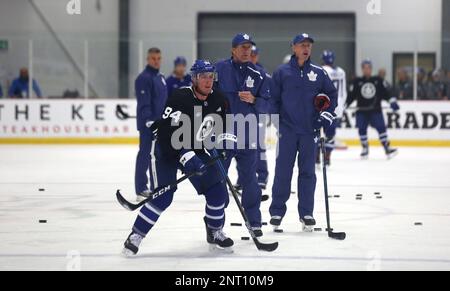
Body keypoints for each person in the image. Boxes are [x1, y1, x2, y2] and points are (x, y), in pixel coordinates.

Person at [123, 60, 233, 256]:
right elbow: (166, 134)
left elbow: (224, 126)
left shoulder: (219, 99)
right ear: (194, 79)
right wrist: (186, 156)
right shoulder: (180, 97)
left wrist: (224, 144)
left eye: (211, 76)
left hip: (195, 148)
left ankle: (215, 231)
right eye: (203, 76)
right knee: (164, 196)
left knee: (217, 191)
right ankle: (135, 235)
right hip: (166, 151)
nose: (208, 81)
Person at [269, 33, 338, 232]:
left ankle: (306, 213)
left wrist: (327, 114)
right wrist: (277, 123)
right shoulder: (281, 72)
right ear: (293, 47)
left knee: (308, 173)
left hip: (310, 131)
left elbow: (331, 95)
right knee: (283, 172)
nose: (306, 48)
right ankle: (277, 212)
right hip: (287, 132)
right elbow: (273, 99)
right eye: (302, 45)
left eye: (308, 45)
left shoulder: (319, 72)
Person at [215, 33, 271, 237]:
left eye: (249, 47)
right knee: (219, 181)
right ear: (233, 49)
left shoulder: (260, 74)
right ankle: (215, 225)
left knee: (250, 181)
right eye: (243, 47)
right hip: (223, 136)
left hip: (248, 136)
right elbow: (204, 94)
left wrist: (255, 100)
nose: (247, 50)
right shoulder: (218, 69)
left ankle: (254, 222)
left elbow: (269, 104)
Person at [346, 59, 399, 159]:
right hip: (362, 110)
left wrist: (392, 101)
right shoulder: (357, 82)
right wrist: (345, 104)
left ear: (371, 68)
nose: (367, 70)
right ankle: (365, 148)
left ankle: (387, 148)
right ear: (362, 69)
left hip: (375, 110)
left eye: (368, 68)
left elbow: (388, 92)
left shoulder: (378, 80)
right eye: (365, 68)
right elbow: (351, 96)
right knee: (362, 129)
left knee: (381, 128)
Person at [235, 45, 270, 190]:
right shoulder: (239, 73)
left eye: (255, 54)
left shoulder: (263, 75)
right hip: (241, 118)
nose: (252, 57)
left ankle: (262, 176)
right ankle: (243, 177)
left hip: (258, 117)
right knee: (240, 148)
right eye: (251, 54)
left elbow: (270, 99)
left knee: (258, 148)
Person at [135, 48, 168, 201]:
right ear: (148, 59)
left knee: (157, 156)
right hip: (149, 126)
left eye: (159, 58)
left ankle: (157, 185)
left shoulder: (160, 77)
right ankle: (141, 188)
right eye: (153, 58)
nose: (156, 61)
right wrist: (149, 121)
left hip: (160, 124)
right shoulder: (144, 78)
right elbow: (144, 102)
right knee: (145, 154)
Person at [317, 50, 347, 167]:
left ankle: (317, 157)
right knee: (331, 134)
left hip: (324, 106)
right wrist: (342, 105)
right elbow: (344, 91)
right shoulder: (341, 72)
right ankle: (327, 157)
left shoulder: (321, 70)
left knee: (318, 132)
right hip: (337, 106)